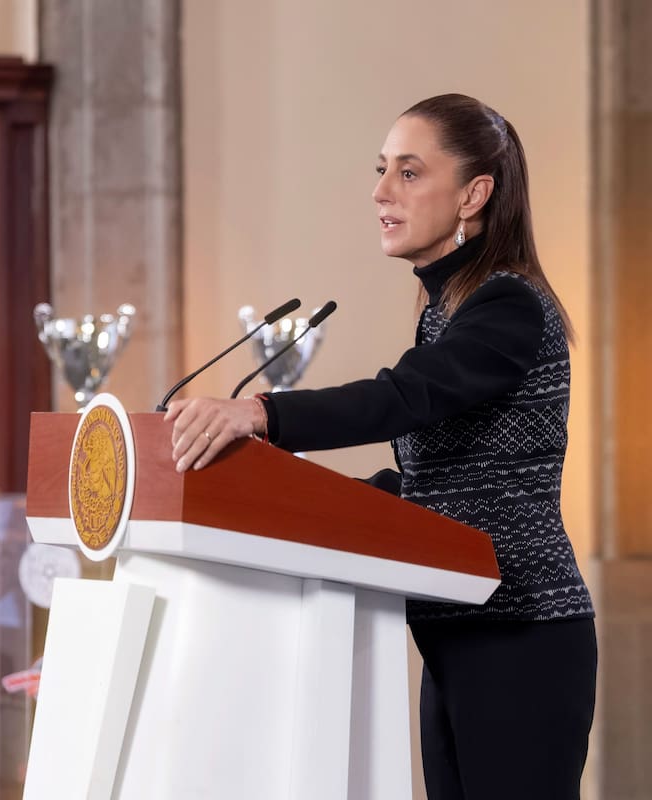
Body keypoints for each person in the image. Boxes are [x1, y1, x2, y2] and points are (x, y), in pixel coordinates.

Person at [164, 93, 596, 800]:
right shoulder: (448, 310)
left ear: (474, 193)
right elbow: (434, 481)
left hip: (523, 638)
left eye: (408, 172)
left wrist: (259, 413)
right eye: (381, 170)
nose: (380, 192)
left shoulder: (507, 304)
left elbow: (404, 397)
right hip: (457, 637)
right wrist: (311, 509)